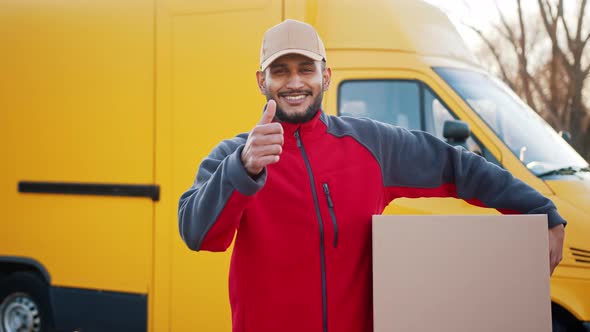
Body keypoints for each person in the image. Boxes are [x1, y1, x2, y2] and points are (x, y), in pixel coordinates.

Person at [178, 19, 565, 332]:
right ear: (262, 81)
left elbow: (456, 166)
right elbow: (197, 234)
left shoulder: (370, 145)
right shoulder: (234, 155)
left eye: (305, 69)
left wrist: (542, 211)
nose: (294, 82)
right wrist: (243, 168)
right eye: (280, 71)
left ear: (325, 76)